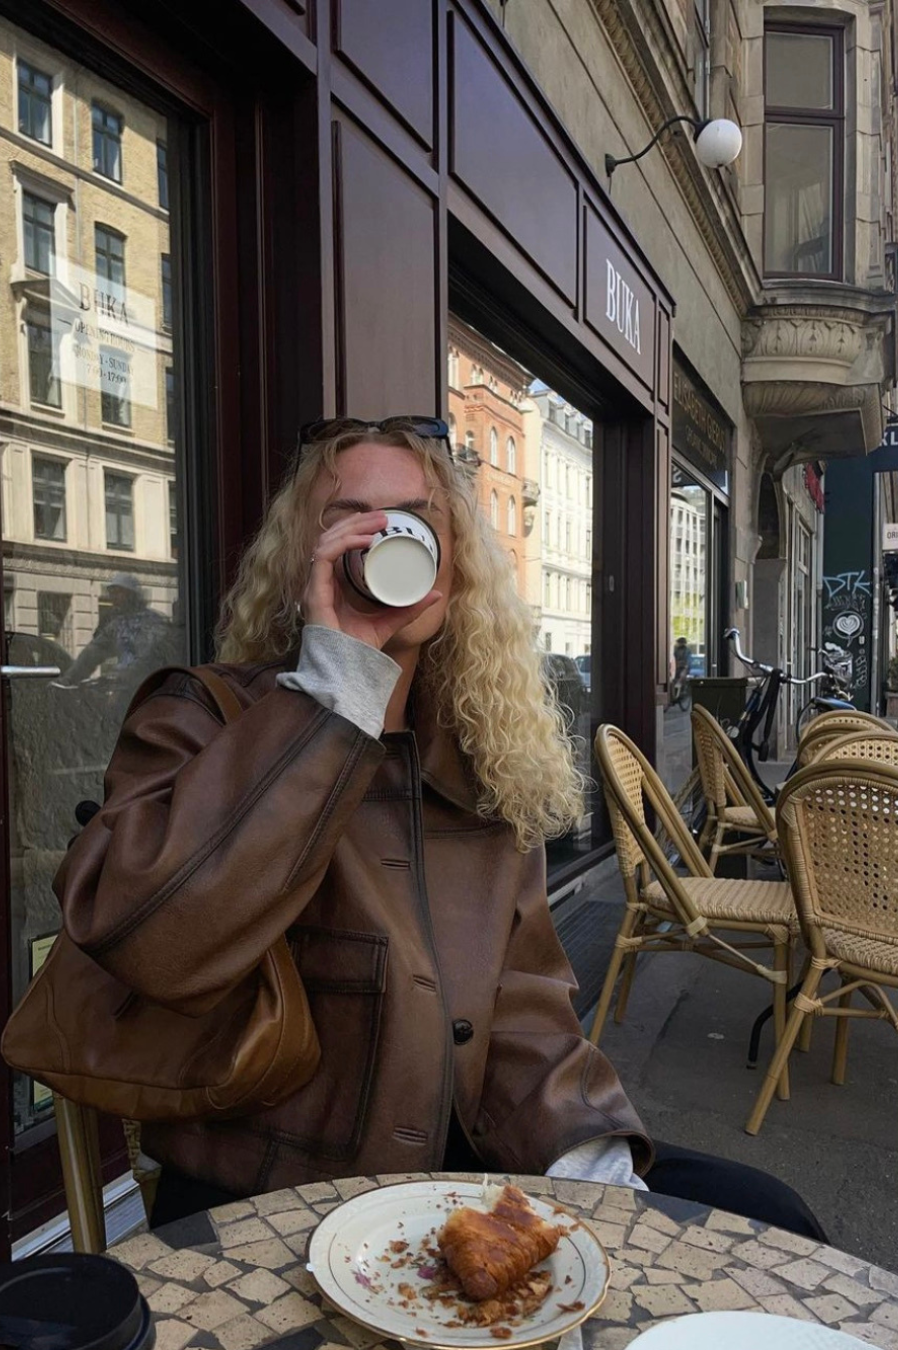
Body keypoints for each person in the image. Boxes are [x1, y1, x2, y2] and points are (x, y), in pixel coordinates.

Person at [57, 417, 825, 1240]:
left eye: (416, 519)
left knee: (776, 1220)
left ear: (453, 567)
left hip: (473, 1160)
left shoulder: (479, 754)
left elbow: (525, 1003)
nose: (386, 538)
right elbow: (148, 938)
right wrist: (335, 685)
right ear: (301, 559)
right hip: (275, 1188)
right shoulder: (204, 716)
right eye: (349, 518)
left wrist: (588, 1164)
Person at [58, 574, 170, 687]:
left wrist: (122, 674)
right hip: (123, 685)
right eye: (112, 593)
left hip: (149, 685)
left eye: (119, 592)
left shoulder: (151, 621)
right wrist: (69, 678)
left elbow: (147, 656)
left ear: (132, 595)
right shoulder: (117, 624)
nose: (114, 597)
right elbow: (94, 651)